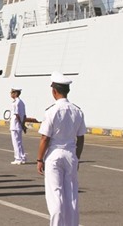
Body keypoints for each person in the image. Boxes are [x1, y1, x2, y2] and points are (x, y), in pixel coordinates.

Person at [36, 71, 86, 226]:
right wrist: (77, 156)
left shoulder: (51, 111)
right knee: (71, 196)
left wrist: (39, 159)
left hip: (54, 155)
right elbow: (81, 137)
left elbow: (45, 138)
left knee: (55, 195)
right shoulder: (77, 111)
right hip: (71, 154)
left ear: (54, 91)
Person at [9, 88, 27, 165]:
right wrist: (23, 124)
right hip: (19, 125)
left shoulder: (16, 103)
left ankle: (18, 158)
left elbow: (17, 115)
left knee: (16, 143)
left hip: (15, 125)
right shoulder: (22, 102)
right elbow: (25, 115)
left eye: (12, 92)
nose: (11, 94)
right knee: (19, 142)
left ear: (15, 93)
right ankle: (22, 157)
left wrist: (21, 124)